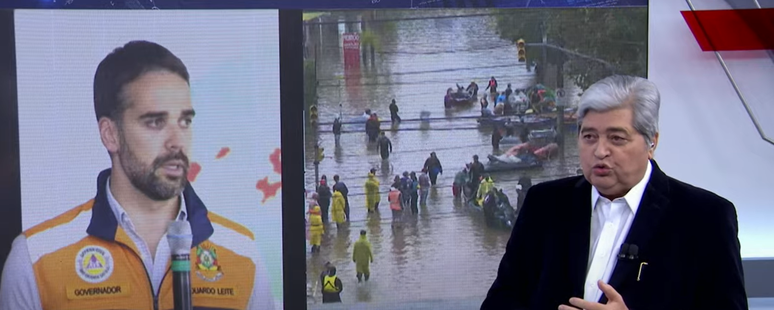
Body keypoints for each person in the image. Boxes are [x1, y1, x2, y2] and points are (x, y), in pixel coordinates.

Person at [0, 40, 275, 310]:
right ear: (111, 134)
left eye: (185, 121)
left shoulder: (242, 254)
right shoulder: (36, 259)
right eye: (155, 122)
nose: (177, 141)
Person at [481, 75, 747, 310]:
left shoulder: (705, 218)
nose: (600, 151)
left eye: (616, 138)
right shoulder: (545, 203)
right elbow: (500, 301)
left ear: (651, 142)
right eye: (589, 137)